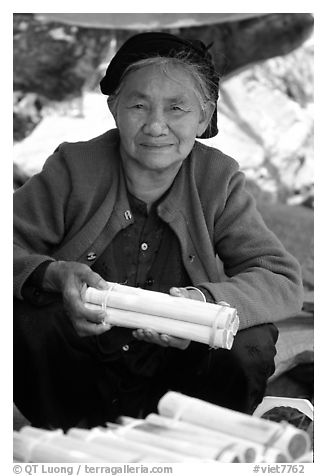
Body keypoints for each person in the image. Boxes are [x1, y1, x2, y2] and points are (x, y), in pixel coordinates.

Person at [13, 32, 303, 430]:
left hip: (181, 383)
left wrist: (201, 305)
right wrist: (52, 274)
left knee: (248, 340)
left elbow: (280, 278)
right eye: (138, 105)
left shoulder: (217, 179)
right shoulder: (73, 168)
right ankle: (71, 445)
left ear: (203, 117)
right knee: (25, 317)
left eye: (177, 109)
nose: (155, 126)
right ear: (115, 108)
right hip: (79, 371)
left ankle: (196, 450)